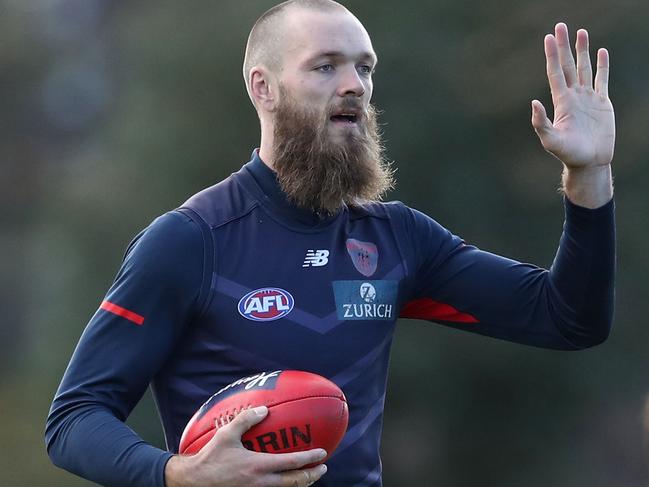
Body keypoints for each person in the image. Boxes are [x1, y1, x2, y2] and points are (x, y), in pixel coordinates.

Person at [45, 1, 616, 486]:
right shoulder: (190, 241)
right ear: (262, 88)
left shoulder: (397, 239)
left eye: (365, 69)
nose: (355, 86)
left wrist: (588, 176)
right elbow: (74, 419)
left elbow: (569, 319)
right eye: (325, 67)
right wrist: (177, 474)